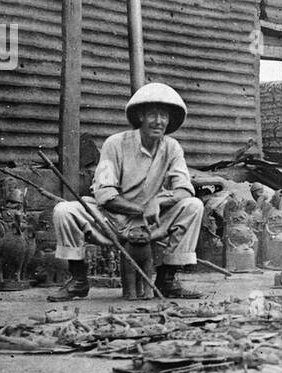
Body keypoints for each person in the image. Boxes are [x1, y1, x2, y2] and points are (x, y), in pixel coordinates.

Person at [48, 82, 208, 300]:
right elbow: (105, 195)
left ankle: (167, 279)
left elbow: (184, 190)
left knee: (194, 206)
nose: (158, 121)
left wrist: (158, 201)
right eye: (153, 114)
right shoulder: (115, 143)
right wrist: (142, 208)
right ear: (140, 116)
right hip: (112, 218)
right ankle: (78, 280)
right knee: (64, 210)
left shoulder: (172, 147)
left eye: (164, 116)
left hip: (151, 222)